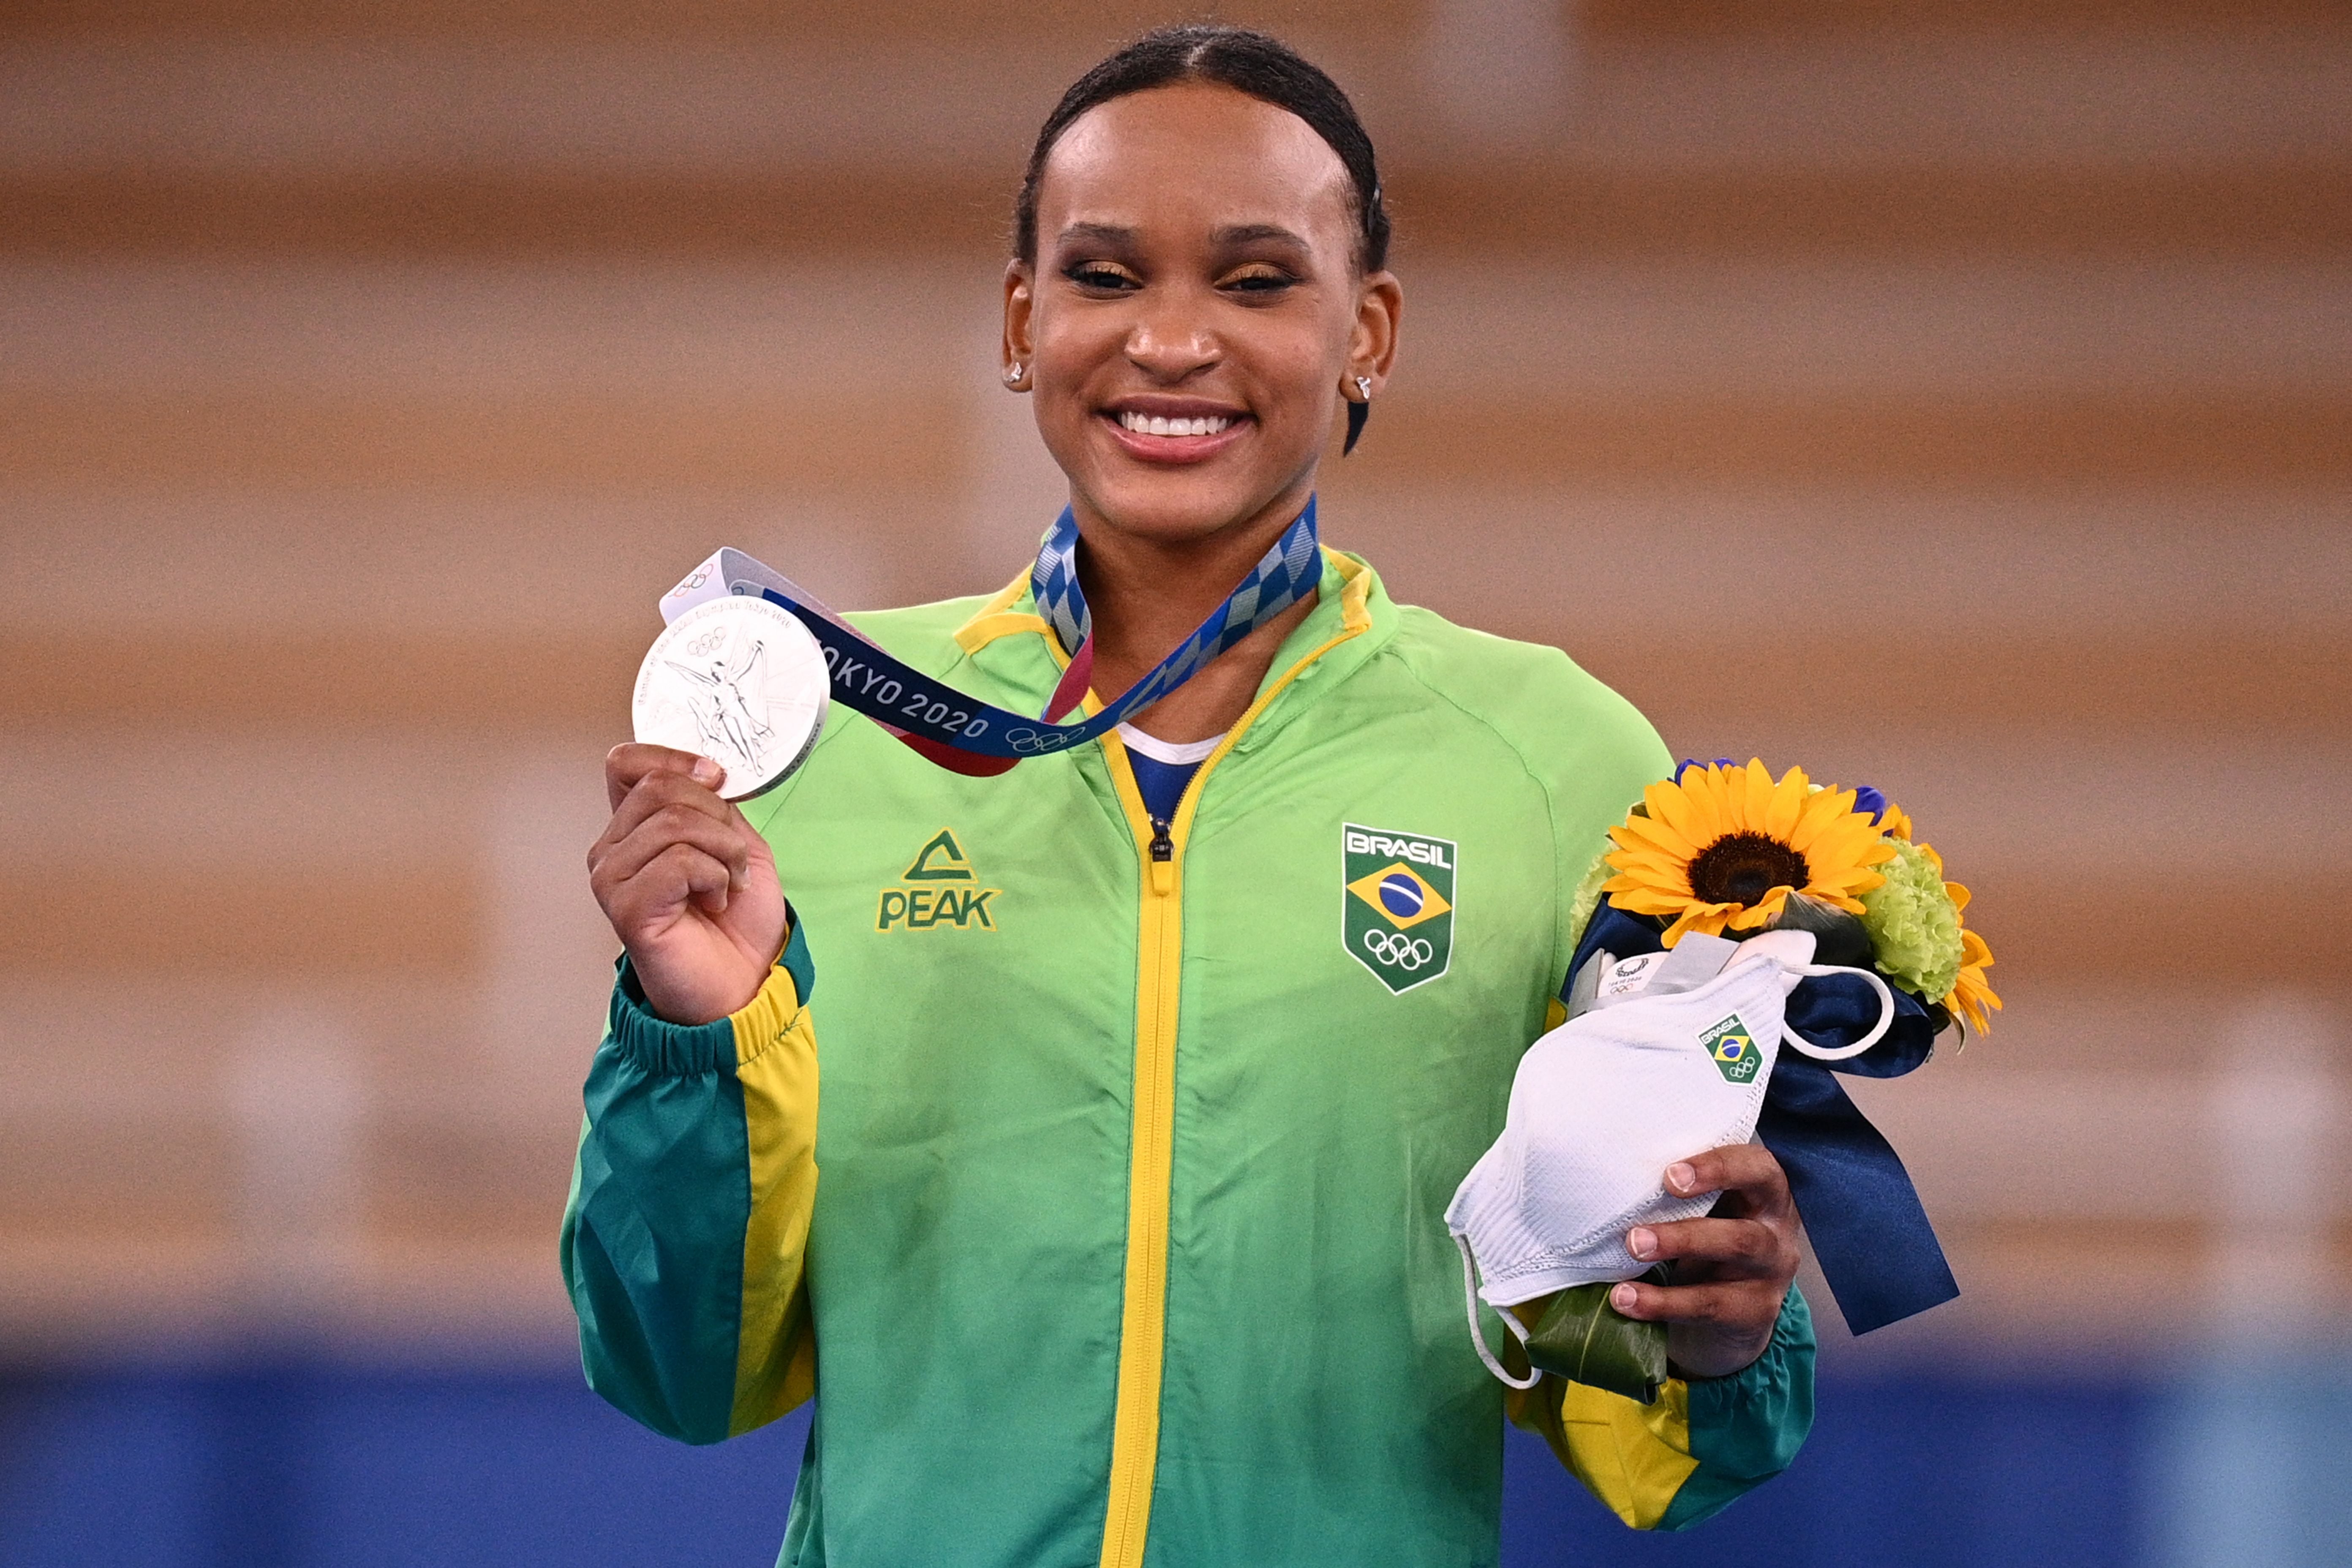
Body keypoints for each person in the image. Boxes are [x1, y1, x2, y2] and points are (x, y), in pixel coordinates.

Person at [564, 26, 1813, 1568]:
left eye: (1255, 279)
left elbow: (1660, 1446)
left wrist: (1716, 1335)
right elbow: (678, 1375)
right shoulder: (830, 740)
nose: (1169, 342)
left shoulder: (1557, 764)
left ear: (1372, 332)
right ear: (1020, 322)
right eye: (1103, 277)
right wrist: (689, 1040)